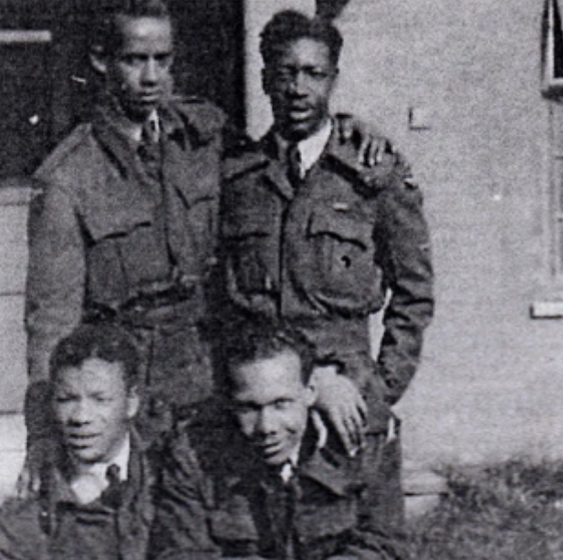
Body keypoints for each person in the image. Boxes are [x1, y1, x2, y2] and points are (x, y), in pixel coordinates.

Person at [22, 0, 393, 477]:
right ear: (102, 61)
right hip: (134, 387)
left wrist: (344, 128)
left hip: (216, 374)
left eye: (164, 59)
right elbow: (51, 325)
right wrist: (43, 435)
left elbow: (281, 160)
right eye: (135, 60)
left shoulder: (205, 133)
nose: (152, 76)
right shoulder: (68, 179)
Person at [220, 10, 434, 540]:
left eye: (314, 73)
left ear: (333, 79)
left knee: (356, 543)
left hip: (350, 411)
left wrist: (379, 392)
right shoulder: (238, 178)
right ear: (267, 77)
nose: (298, 88)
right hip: (264, 409)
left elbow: (414, 294)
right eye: (286, 72)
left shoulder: (372, 176)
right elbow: (223, 300)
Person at [149, 318, 402, 560]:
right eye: (249, 408)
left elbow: (385, 545)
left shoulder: (365, 444)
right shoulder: (194, 454)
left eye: (281, 404)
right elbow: (182, 553)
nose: (266, 427)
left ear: (311, 391)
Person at [0, 321, 155, 560]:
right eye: (67, 399)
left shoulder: (170, 481)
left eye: (100, 400)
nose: (81, 417)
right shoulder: (28, 514)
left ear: (131, 402)